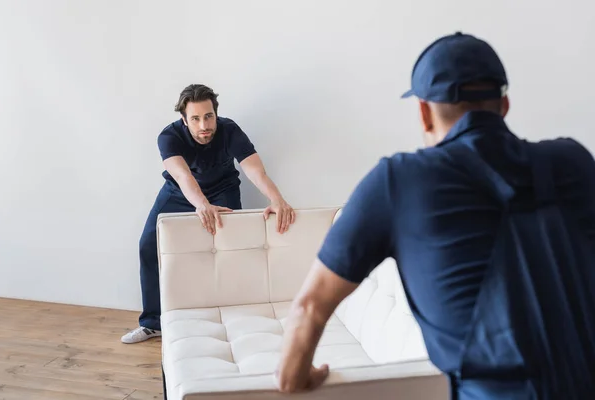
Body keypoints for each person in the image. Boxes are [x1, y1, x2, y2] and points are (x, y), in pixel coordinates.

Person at [275, 32, 595, 398]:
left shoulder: (398, 182)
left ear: (424, 113)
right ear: (504, 105)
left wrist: (293, 377)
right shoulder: (573, 162)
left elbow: (310, 306)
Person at [122, 84, 296, 344]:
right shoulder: (168, 137)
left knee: (230, 250)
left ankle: (235, 316)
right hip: (178, 192)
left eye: (208, 116)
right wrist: (201, 204)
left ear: (216, 113)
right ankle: (152, 323)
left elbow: (255, 170)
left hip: (223, 190)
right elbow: (181, 175)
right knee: (148, 245)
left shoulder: (230, 130)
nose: (204, 125)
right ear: (184, 120)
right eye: (195, 118)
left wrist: (277, 199)